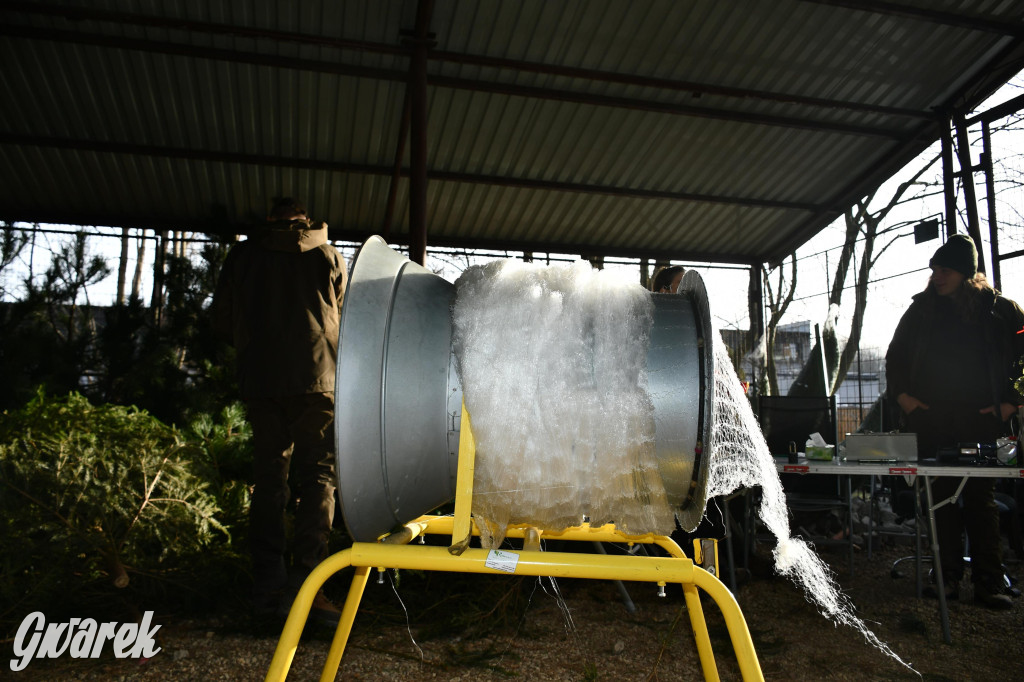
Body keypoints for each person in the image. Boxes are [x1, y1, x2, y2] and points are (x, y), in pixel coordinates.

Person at [212, 197, 348, 624]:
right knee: (319, 478)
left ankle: (267, 589)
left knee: (269, 480)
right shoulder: (327, 254)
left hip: (262, 382)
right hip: (318, 382)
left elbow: (221, 320)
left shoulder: (244, 256)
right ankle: (310, 588)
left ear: (269, 219)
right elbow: (343, 314)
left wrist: (256, 349)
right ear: (307, 220)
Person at [886, 233, 1023, 609]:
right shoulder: (921, 310)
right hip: (932, 421)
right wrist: (904, 398)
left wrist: (1013, 402)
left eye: (944, 269)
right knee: (940, 499)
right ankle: (945, 579)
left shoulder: (1002, 312)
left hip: (981, 423)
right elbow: (895, 357)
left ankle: (989, 583)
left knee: (981, 500)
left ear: (966, 273)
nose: (936, 275)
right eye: (934, 268)